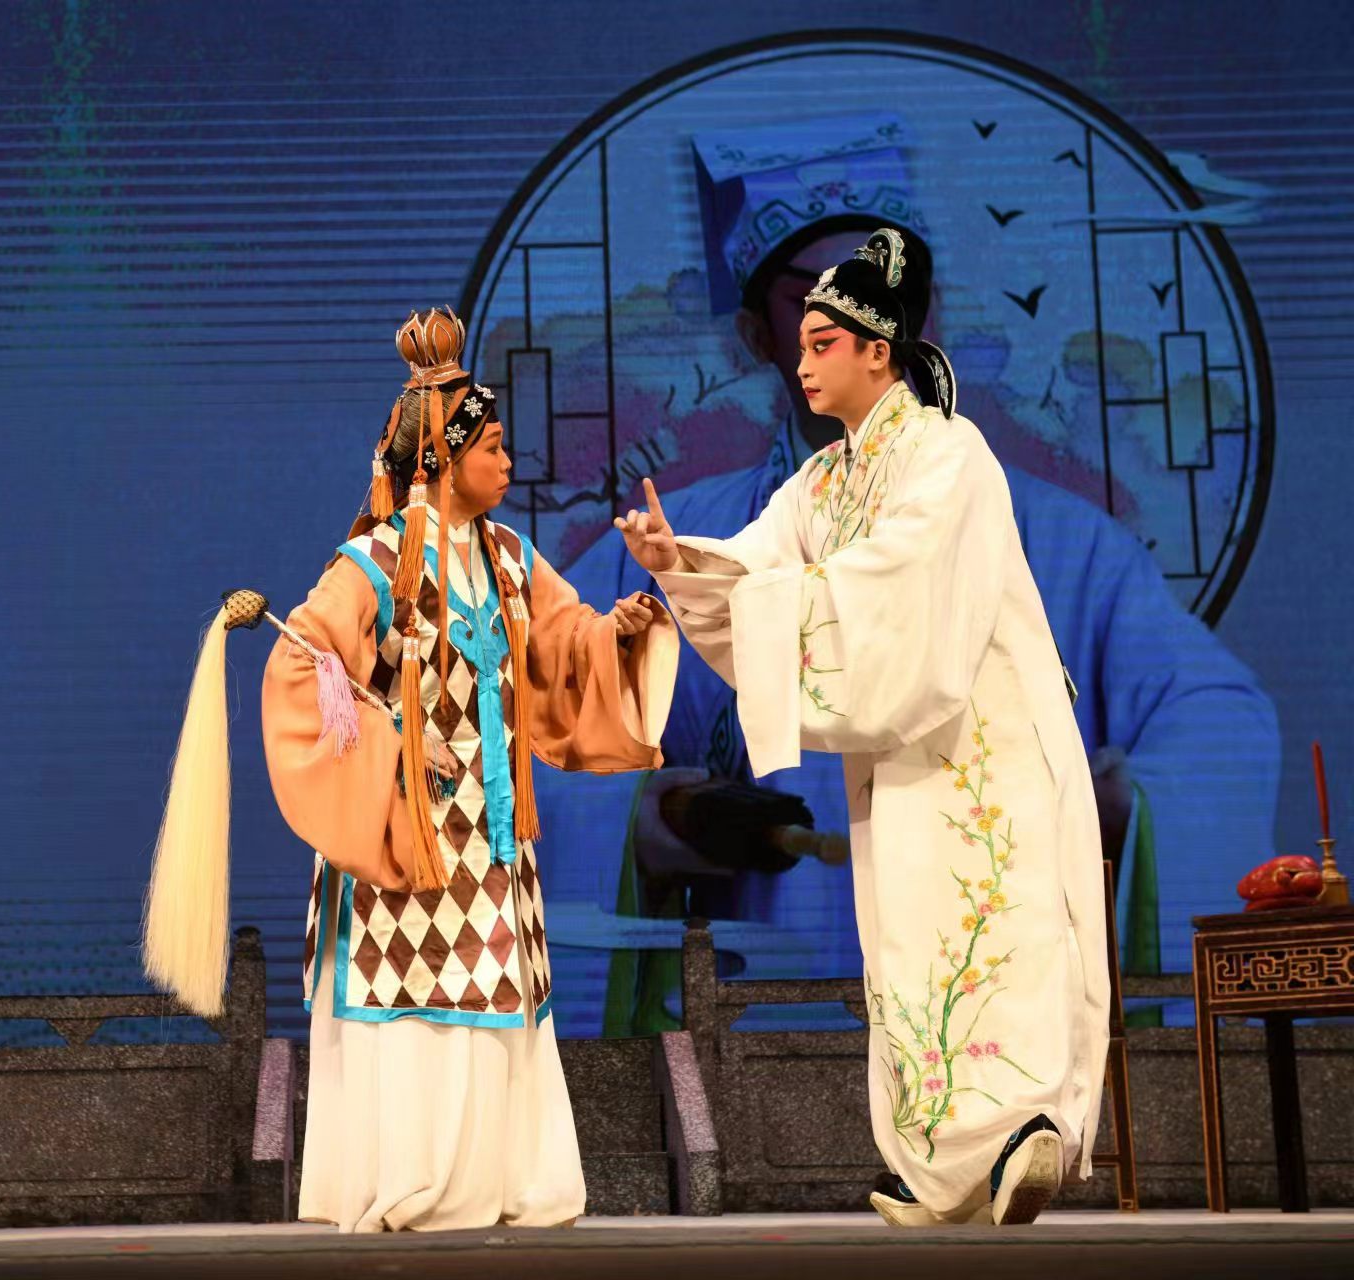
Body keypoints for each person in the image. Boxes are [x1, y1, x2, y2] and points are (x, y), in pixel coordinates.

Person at [535, 119, 1278, 1038]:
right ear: (757, 337)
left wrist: (1110, 799)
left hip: (992, 1015)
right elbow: (531, 730)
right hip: (752, 1019)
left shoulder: (1066, 548)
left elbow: (1220, 725)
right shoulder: (677, 547)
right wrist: (651, 818)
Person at [143, 307, 678, 1232]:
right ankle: (415, 1184)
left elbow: (562, 644)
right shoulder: (375, 561)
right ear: (442, 456)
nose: (508, 462)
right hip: (411, 832)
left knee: (496, 988)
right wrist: (389, 740)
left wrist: (616, 635)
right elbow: (306, 667)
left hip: (493, 835)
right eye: (493, 447)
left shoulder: (509, 557)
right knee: (416, 999)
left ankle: (504, 1183)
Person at [620, 230, 1106, 1226]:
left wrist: (779, 594)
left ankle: (1025, 1130)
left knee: (996, 920)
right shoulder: (825, 482)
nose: (802, 363)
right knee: (915, 943)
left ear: (878, 351)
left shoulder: (948, 455)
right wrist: (678, 558)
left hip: (986, 738)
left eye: (822, 343)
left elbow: (898, 580)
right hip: (901, 750)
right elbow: (756, 563)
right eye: (799, 342)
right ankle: (947, 1169)